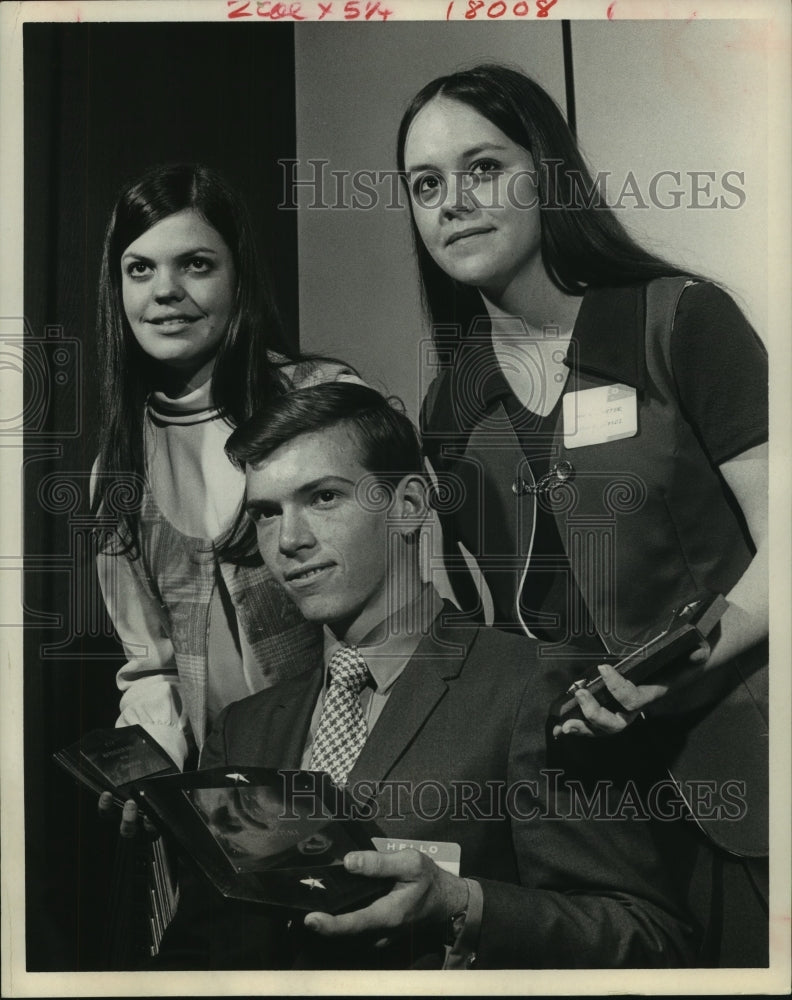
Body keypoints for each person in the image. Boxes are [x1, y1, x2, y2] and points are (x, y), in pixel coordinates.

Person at [396, 64, 768, 963]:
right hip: (576, 818)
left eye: (484, 168)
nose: (454, 203)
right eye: (426, 186)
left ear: (548, 172)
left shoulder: (680, 321)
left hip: (736, 773)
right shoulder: (450, 404)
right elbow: (491, 623)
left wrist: (683, 664)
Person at [153, 382, 699, 971]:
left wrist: (464, 905)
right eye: (267, 513)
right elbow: (197, 956)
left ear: (409, 505)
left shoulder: (531, 690)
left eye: (324, 497)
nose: (289, 540)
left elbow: (649, 939)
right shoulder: (242, 732)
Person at [91, 163, 354, 837]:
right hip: (230, 812)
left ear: (239, 275)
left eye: (196, 264)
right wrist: (148, 764)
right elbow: (153, 667)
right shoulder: (118, 467)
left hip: (357, 774)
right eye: (140, 269)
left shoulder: (326, 401)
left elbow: (411, 608)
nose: (165, 290)